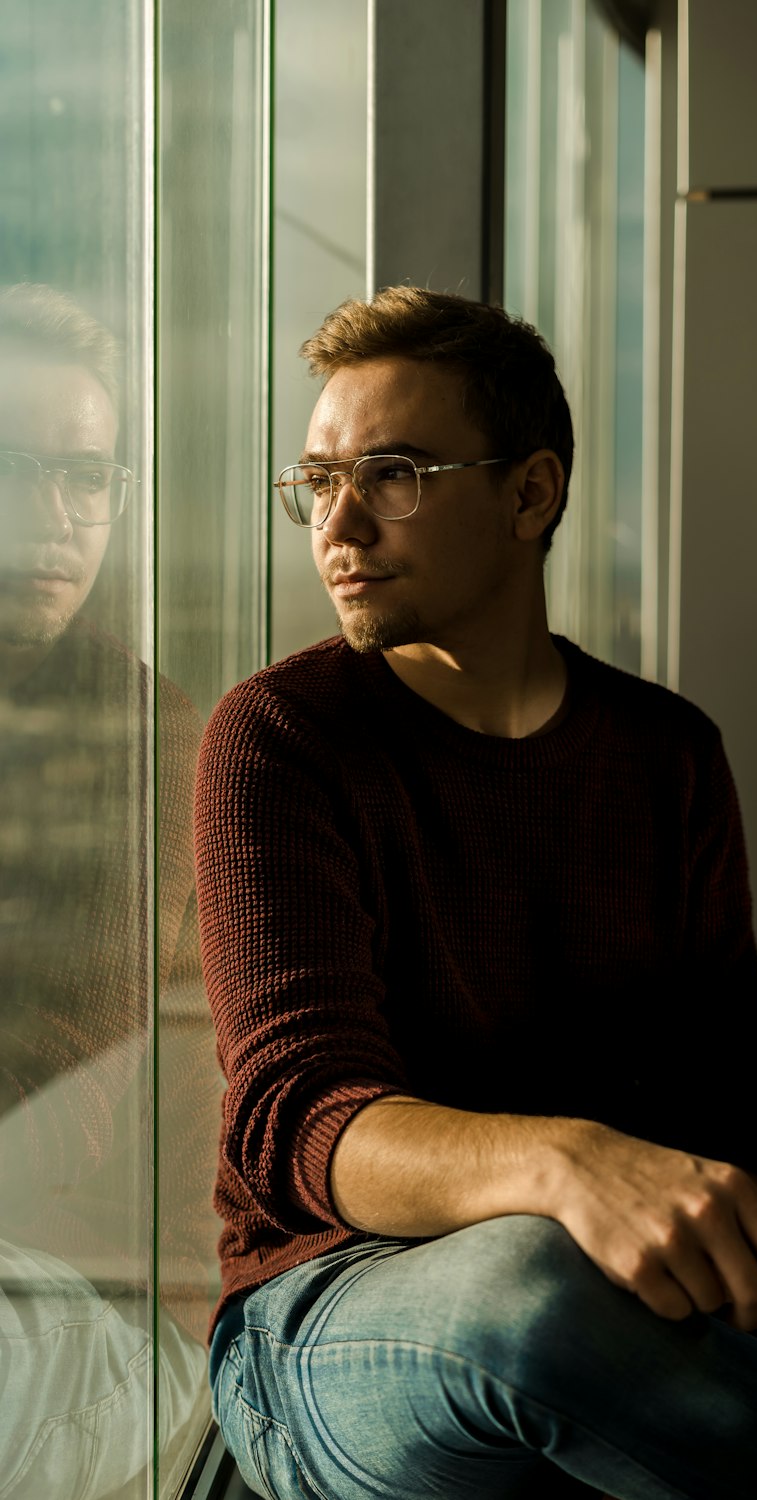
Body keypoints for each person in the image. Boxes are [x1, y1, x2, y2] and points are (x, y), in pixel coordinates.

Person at [194, 286, 757, 1500]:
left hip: (607, 1317)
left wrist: (678, 1256)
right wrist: (565, 1166)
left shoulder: (665, 754)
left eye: (394, 473)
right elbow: (302, 1118)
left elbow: (734, 1106)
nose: (338, 524)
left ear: (530, 492)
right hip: (324, 1325)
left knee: (571, 1313)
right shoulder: (280, 737)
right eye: (316, 481)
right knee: (525, 1291)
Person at [0, 283, 214, 1497]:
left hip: (107, 1303)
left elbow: (53, 1106)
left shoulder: (137, 732)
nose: (54, 516)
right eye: (14, 466)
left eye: (88, 477)